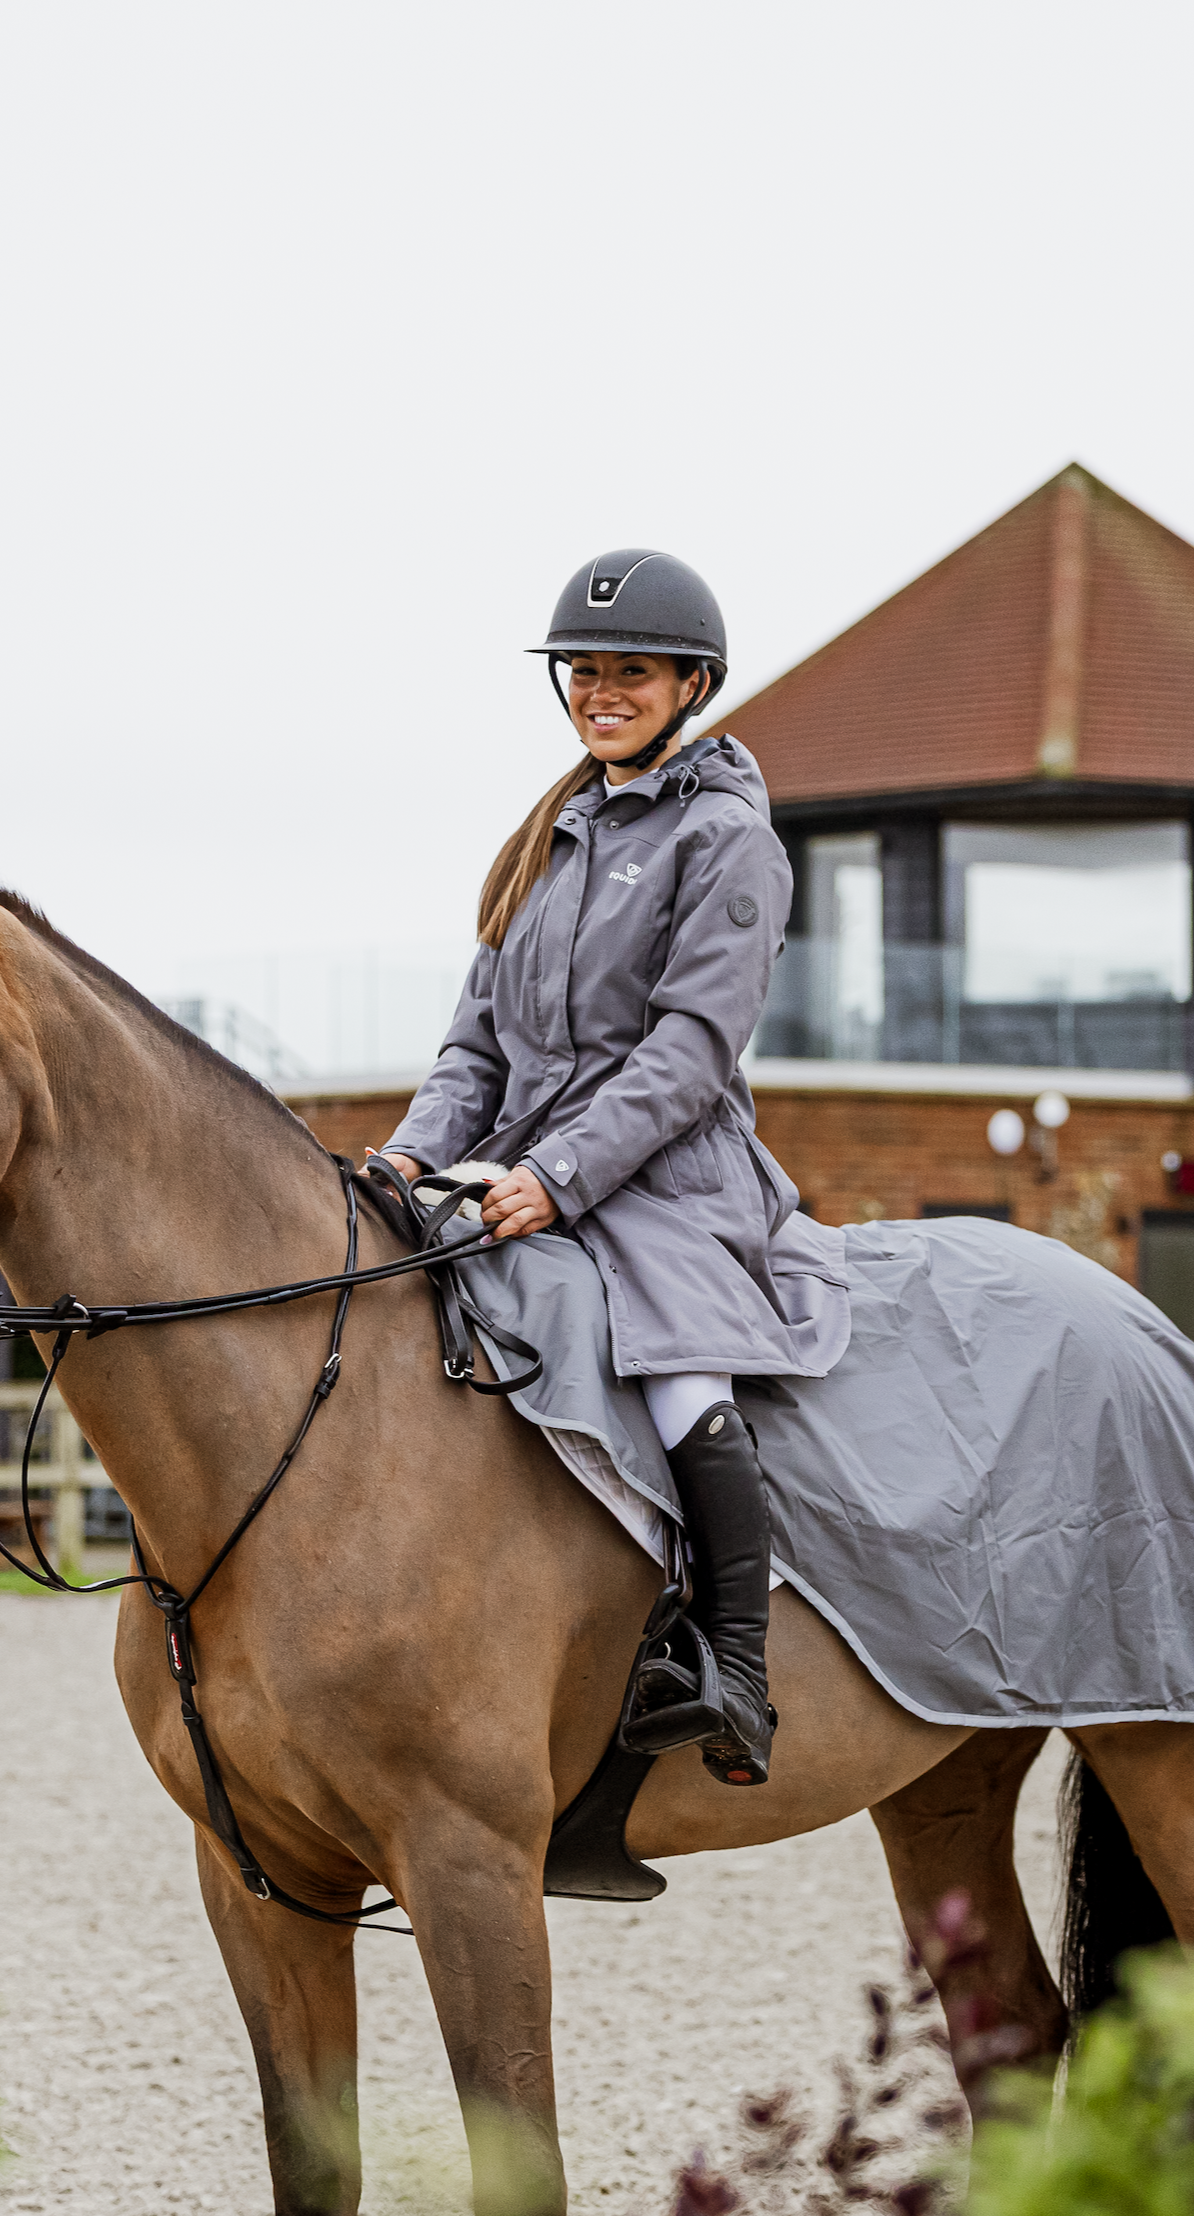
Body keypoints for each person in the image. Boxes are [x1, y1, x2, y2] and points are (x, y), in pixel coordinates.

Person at [371, 551, 847, 1786]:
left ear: (690, 681)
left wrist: (561, 1177)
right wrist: (415, 1149)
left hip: (670, 1179)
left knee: (682, 1374)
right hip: (524, 1161)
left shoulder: (727, 837)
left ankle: (734, 1664)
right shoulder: (547, 840)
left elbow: (691, 1050)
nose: (599, 691)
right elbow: (476, 1041)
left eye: (627, 672)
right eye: (582, 672)